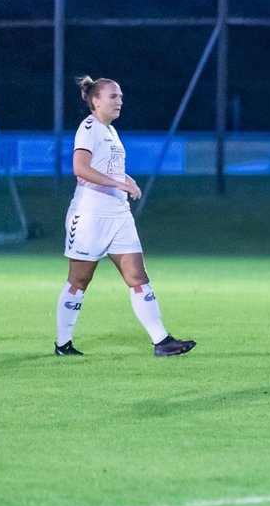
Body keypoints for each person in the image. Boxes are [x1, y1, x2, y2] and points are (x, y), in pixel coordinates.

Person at [54, 76, 196, 358]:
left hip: (119, 215)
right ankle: (63, 343)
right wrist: (118, 183)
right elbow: (80, 168)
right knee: (79, 281)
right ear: (95, 101)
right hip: (90, 215)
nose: (119, 101)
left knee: (138, 277)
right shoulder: (89, 128)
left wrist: (126, 180)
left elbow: (109, 169)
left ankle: (162, 341)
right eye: (113, 97)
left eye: (120, 97)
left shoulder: (111, 131)